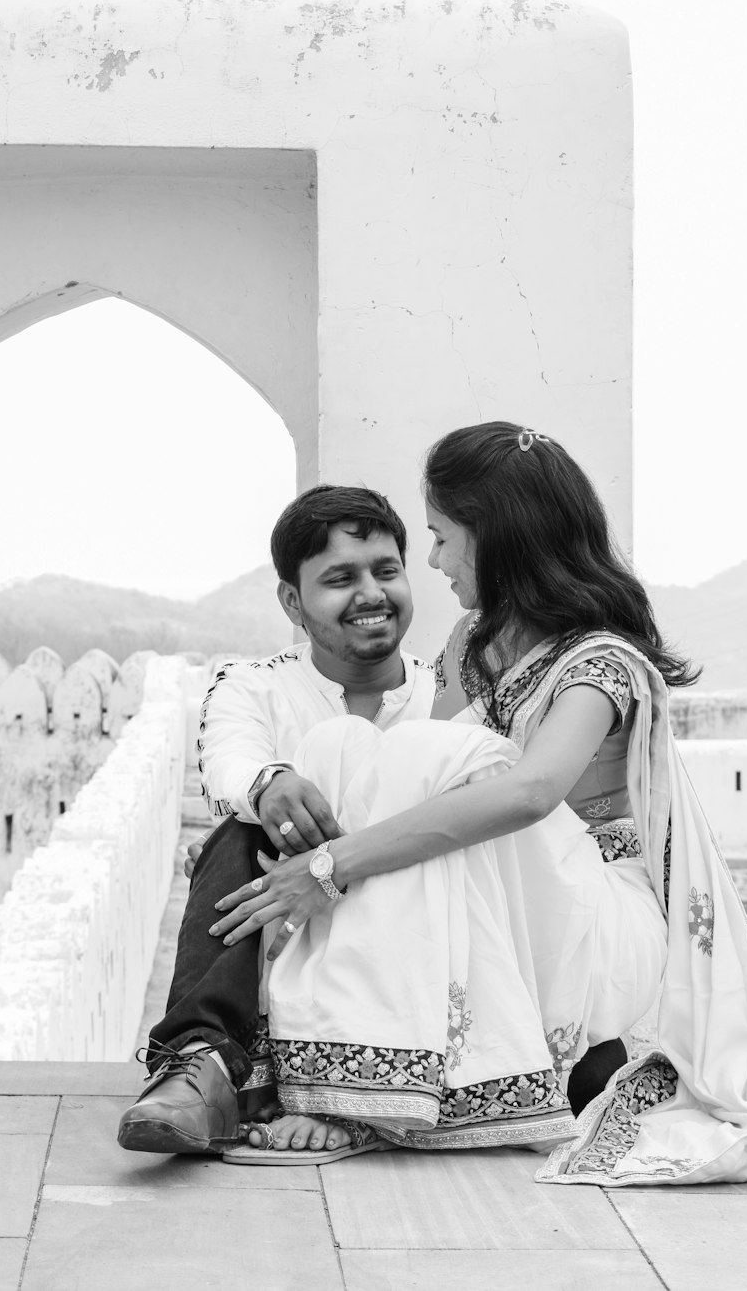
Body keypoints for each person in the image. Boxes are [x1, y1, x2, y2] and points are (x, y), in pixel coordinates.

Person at [214, 423, 747, 1185]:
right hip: (516, 908)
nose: (431, 562)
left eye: (440, 537)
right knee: (341, 745)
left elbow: (530, 794)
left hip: (601, 922)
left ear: (496, 538)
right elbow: (409, 782)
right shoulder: (474, 643)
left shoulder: (601, 660)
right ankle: (341, 1060)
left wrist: (332, 865)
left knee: (420, 762)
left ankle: (371, 1090)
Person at [117, 484, 434, 1154]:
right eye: (339, 579)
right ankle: (201, 1064)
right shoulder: (252, 685)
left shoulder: (443, 690)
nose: (372, 593)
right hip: (291, 921)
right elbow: (230, 764)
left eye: (386, 570)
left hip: (421, 921)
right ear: (293, 600)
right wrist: (271, 786)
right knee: (242, 832)